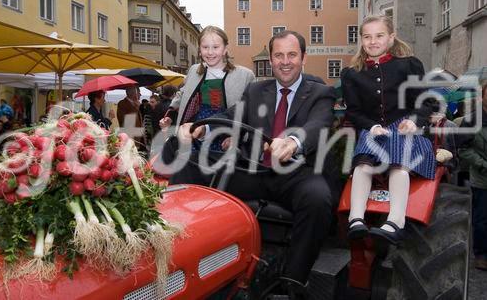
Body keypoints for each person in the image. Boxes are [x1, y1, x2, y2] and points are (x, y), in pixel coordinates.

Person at [179, 30, 337, 298]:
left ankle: (293, 281)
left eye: (291, 55)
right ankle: (186, 258)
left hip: (296, 175)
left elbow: (318, 125)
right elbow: (231, 117)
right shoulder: (255, 91)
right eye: (278, 55)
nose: (285, 61)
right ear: (271, 60)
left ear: (303, 58)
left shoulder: (320, 93)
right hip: (255, 171)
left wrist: (294, 142)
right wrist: (199, 129)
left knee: (318, 198)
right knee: (192, 166)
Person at [341, 15, 435, 244]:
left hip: (405, 129)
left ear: (391, 38)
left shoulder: (409, 65)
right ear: (361, 40)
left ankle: (396, 221)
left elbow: (426, 102)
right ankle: (356, 219)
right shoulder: (351, 73)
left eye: (379, 35)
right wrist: (370, 126)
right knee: (362, 166)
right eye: (367, 37)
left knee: (398, 166)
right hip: (373, 131)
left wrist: (414, 121)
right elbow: (353, 111)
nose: (373, 41)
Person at [158, 25, 255, 181]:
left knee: (216, 178)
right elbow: (182, 94)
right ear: (200, 49)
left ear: (225, 49)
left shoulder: (244, 75)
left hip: (225, 130)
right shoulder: (194, 70)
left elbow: (249, 110)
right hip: (197, 127)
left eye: (215, 47)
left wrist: (238, 136)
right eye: (205, 47)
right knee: (186, 170)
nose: (210, 52)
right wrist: (170, 112)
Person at [458, 80, 487, 271]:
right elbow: (463, 148)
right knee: (482, 219)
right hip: (483, 178)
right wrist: (483, 164)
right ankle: (481, 254)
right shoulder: (472, 120)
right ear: (482, 96)